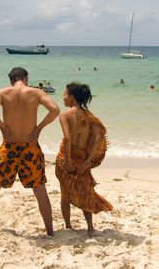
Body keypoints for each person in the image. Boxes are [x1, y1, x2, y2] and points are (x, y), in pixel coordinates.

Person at [0, 67, 60, 236]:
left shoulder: (4, 93)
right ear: (25, 78)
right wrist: (39, 128)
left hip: (9, 146)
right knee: (40, 190)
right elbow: (55, 109)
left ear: (11, 80)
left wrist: (3, 127)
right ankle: (50, 232)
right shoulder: (36, 93)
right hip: (30, 146)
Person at [55, 82, 112, 236]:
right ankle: (90, 228)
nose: (63, 98)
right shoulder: (90, 117)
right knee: (85, 192)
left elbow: (67, 138)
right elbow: (96, 138)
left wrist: (67, 160)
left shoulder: (64, 116)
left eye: (64, 94)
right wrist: (87, 162)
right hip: (82, 161)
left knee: (65, 193)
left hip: (65, 158)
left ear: (72, 97)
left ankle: (68, 225)